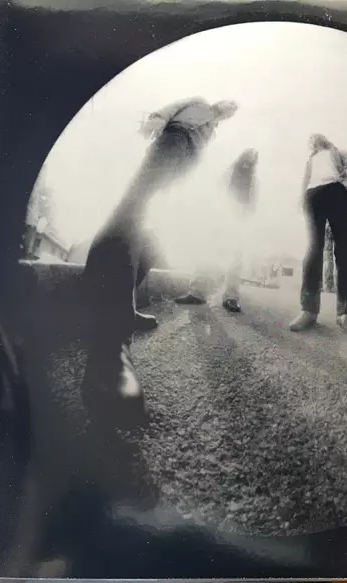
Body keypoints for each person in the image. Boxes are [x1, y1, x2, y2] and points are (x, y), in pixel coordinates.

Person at [80, 97, 238, 428]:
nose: (228, 110)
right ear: (219, 101)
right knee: (136, 207)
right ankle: (110, 342)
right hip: (174, 141)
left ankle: (123, 300)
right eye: (227, 105)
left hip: (187, 163)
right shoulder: (198, 103)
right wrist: (155, 121)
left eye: (231, 111)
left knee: (155, 233)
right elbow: (170, 110)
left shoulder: (212, 130)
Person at [175, 148, 259, 313]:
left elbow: (252, 205)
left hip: (239, 219)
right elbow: (215, 192)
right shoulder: (228, 171)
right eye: (248, 154)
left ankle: (231, 298)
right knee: (206, 252)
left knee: (235, 258)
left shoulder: (254, 181)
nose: (250, 158)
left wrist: (245, 221)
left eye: (253, 157)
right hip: (221, 215)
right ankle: (196, 293)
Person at [289, 133, 347, 335]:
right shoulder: (309, 160)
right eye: (310, 141)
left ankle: (345, 313)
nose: (313, 141)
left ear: (323, 139)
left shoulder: (338, 152)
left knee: (342, 250)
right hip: (313, 196)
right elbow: (305, 181)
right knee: (313, 249)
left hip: (336, 191)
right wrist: (302, 199)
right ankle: (308, 311)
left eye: (315, 138)